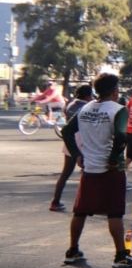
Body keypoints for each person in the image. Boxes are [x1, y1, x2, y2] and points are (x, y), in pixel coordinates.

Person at [61, 73, 132, 268]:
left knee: (80, 210)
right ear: (114, 90)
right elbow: (122, 138)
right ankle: (121, 255)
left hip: (89, 167)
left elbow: (66, 131)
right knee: (115, 213)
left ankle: (72, 250)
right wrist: (115, 160)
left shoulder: (85, 109)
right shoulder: (119, 110)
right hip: (112, 170)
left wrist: (77, 154)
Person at [50, 84, 93, 212]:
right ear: (87, 95)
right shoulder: (86, 107)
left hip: (69, 143)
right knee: (89, 174)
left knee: (65, 173)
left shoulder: (70, 105)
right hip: (82, 141)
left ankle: (55, 201)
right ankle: (86, 203)